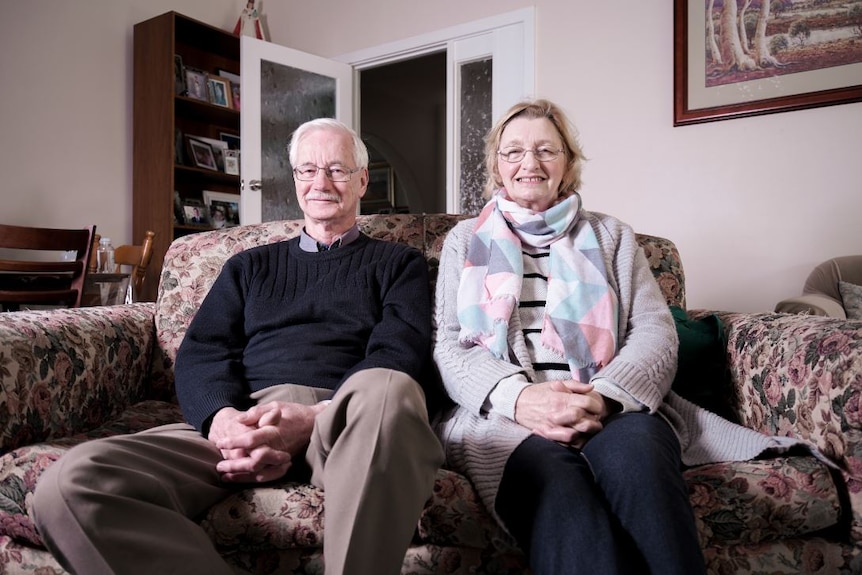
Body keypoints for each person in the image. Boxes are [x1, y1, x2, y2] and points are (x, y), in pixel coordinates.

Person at [32, 118, 444, 575]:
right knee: (70, 485)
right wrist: (224, 421)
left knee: (389, 387)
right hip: (246, 416)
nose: (320, 183)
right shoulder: (249, 266)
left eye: (337, 170)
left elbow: (398, 351)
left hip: (345, 421)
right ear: (295, 181)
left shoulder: (397, 262)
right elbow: (202, 352)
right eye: (307, 170)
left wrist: (312, 417)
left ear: (363, 180)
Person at [432, 99, 808, 574]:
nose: (530, 163)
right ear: (496, 165)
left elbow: (654, 330)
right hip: (504, 419)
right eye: (514, 152)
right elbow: (450, 345)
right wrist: (521, 399)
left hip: (610, 407)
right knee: (561, 494)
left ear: (568, 162)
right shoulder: (466, 241)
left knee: (642, 464)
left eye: (546, 150)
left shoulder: (612, 236)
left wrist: (605, 398)